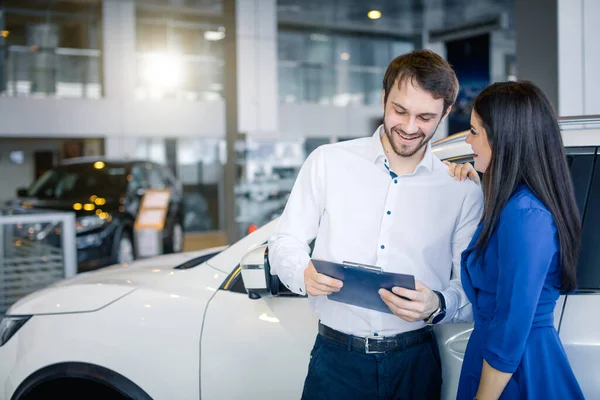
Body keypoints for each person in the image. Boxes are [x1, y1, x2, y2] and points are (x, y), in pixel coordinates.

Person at [268, 50, 484, 400]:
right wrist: (301, 273)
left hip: (417, 365)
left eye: (426, 116)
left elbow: (471, 290)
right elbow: (284, 240)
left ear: (445, 114)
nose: (410, 127)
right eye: (400, 110)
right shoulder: (328, 162)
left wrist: (437, 304)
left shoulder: (461, 190)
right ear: (384, 99)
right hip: (336, 362)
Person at [445, 81, 585, 400]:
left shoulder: (525, 215)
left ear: (503, 139)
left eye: (474, 131)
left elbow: (511, 328)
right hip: (505, 364)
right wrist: (480, 183)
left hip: (513, 372)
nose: (468, 141)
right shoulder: (516, 207)